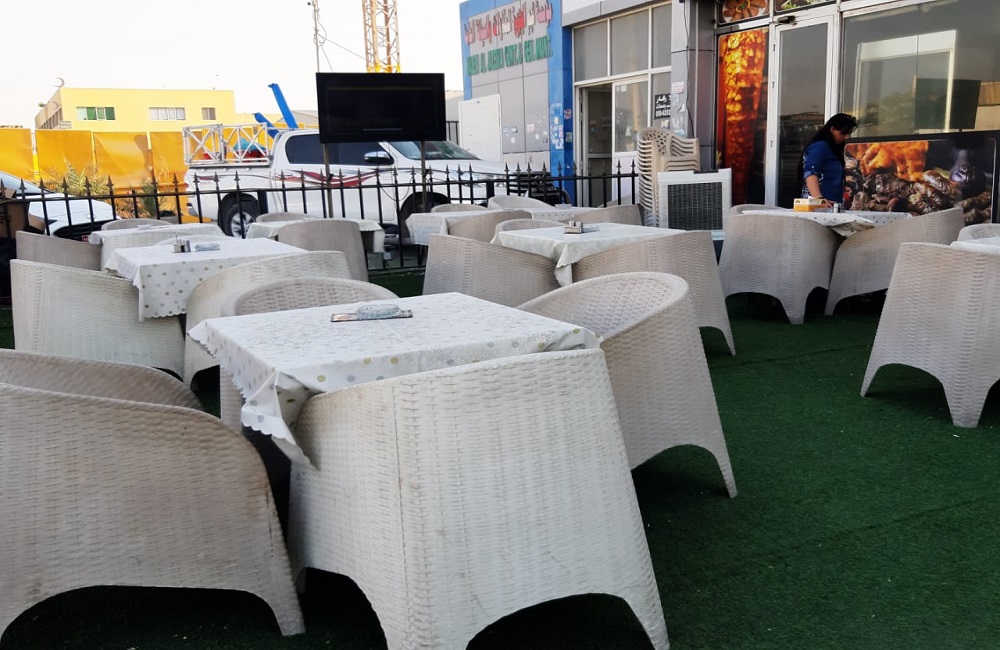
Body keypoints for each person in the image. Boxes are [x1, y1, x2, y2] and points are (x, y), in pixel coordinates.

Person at [799, 113, 858, 206]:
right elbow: (810, 173)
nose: (846, 137)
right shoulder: (820, 147)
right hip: (818, 205)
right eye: (843, 133)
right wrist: (819, 199)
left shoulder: (834, 148)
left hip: (831, 203)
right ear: (832, 129)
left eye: (849, 133)